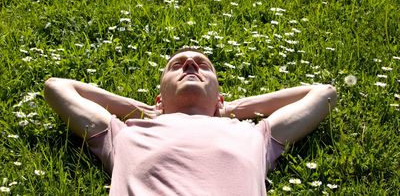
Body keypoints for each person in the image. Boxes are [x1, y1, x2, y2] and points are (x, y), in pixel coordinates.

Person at [44, 48, 337, 195]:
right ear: (159, 99)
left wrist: (230, 109)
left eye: (203, 66)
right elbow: (57, 87)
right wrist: (143, 111)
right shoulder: (124, 134)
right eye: (177, 65)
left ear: (220, 99)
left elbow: (323, 93)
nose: (190, 64)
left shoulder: (254, 135)